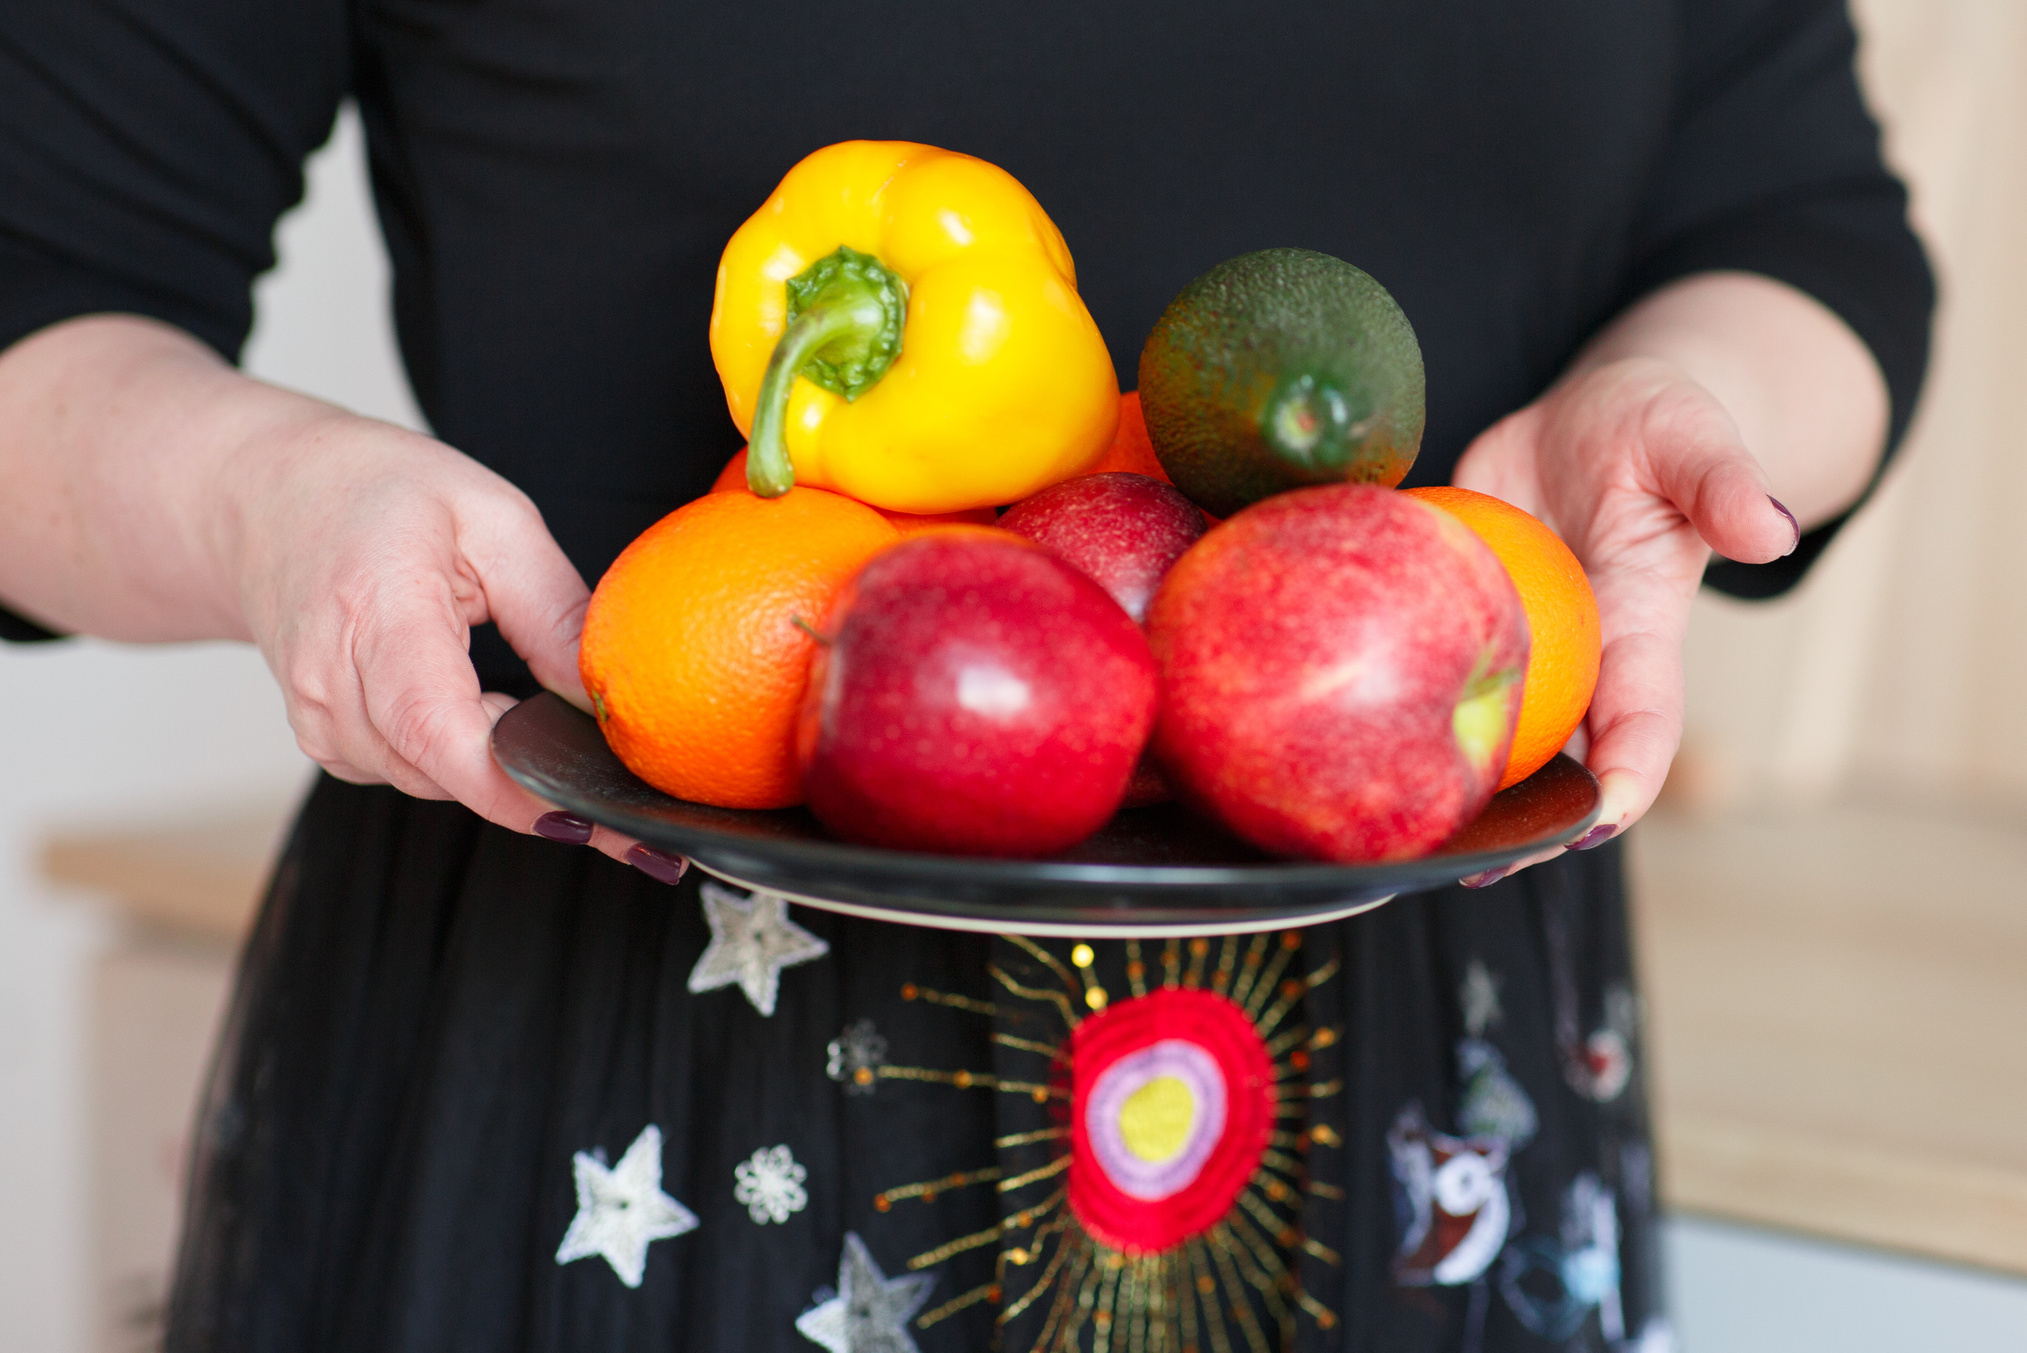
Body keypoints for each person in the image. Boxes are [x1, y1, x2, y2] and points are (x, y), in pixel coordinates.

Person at [0, 2, 1929, 1349]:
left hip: (1425, 1066)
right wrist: (264, 500)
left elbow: (1800, 225)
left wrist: (1689, 409)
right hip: (629, 1065)